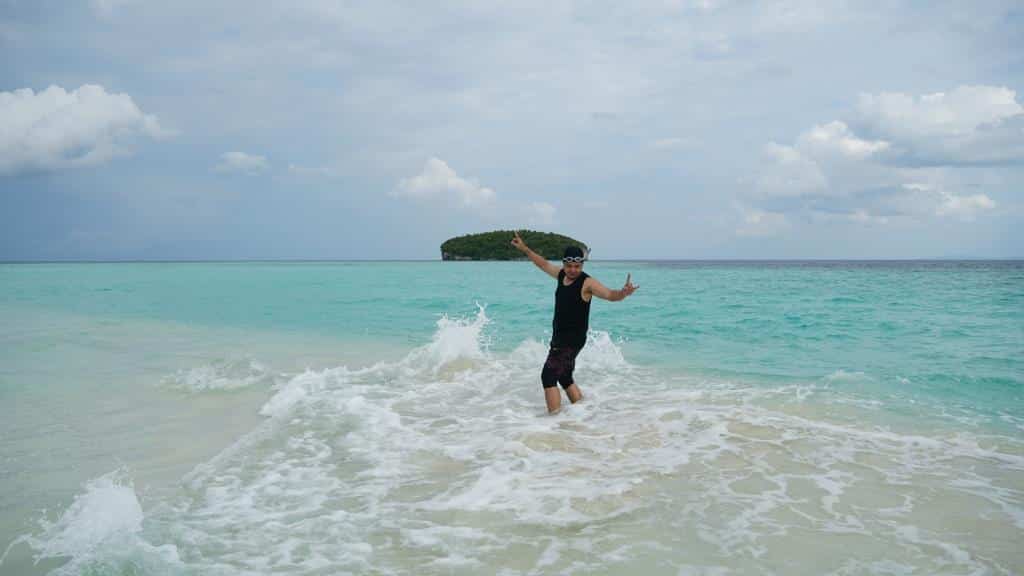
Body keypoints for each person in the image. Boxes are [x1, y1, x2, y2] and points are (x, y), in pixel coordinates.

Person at [510, 230, 638, 413]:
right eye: (569, 266)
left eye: (577, 266)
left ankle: (554, 420)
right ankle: (582, 413)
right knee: (564, 377)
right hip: (561, 337)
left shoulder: (587, 283)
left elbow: (610, 295)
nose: (573, 270)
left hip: (570, 340)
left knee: (548, 376)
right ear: (564, 264)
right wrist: (525, 249)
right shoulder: (561, 275)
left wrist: (623, 293)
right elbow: (543, 263)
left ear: (582, 265)